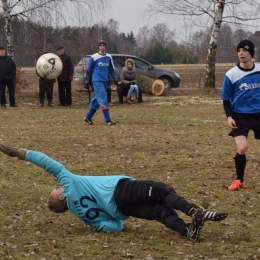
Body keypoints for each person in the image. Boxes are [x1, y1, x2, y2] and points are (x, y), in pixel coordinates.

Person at [0, 142, 228, 239]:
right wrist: (19, 153)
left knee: (160, 212)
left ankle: (188, 231)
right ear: (62, 196)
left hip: (121, 209)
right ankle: (194, 212)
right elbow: (50, 164)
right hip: (119, 192)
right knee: (160, 190)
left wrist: (110, 220)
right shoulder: (70, 186)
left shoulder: (84, 218)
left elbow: (116, 227)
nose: (58, 186)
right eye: (56, 189)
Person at [220, 39, 260, 191]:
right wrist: (229, 117)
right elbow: (225, 99)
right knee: (242, 148)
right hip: (240, 116)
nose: (241, 53)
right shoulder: (231, 74)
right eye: (239, 51)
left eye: (244, 50)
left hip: (258, 114)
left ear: (251, 53)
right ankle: (239, 180)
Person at [84, 40, 119, 126]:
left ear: (106, 47)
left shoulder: (109, 57)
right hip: (97, 81)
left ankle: (88, 117)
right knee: (103, 99)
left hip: (105, 82)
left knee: (97, 100)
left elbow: (111, 70)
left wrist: (116, 80)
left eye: (104, 45)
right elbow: (89, 70)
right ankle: (108, 120)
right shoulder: (94, 57)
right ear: (98, 47)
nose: (102, 47)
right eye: (100, 45)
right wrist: (87, 81)